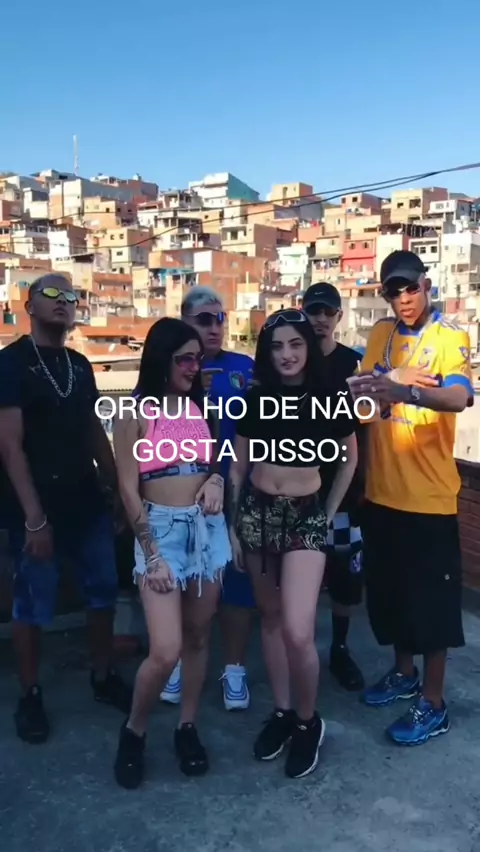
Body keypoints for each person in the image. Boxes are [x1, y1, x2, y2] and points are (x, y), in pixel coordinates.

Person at [0, 274, 131, 745]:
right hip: (34, 505)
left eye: (70, 296)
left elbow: (93, 430)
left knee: (102, 592)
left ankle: (103, 676)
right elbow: (10, 447)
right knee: (32, 603)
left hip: (85, 500)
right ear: (29, 305)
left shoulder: (79, 364)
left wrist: (116, 487)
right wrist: (34, 518)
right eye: (51, 294)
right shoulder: (11, 363)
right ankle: (30, 694)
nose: (63, 302)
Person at [228, 308, 358, 779]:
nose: (287, 354)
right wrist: (232, 526)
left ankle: (307, 721)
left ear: (308, 347)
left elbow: (349, 459)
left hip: (305, 518)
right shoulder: (255, 397)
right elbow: (238, 466)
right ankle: (283, 713)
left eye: (296, 344)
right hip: (258, 516)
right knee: (270, 619)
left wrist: (327, 511)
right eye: (277, 346)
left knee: (299, 631)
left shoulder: (331, 396)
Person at [355, 249, 473, 746]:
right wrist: (386, 385)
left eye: (410, 287)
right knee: (391, 597)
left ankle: (434, 702)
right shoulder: (380, 334)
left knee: (433, 609)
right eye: (393, 290)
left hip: (428, 499)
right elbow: (360, 394)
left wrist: (408, 393)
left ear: (426, 285)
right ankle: (404, 674)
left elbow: (460, 396)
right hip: (382, 494)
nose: (403, 298)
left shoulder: (449, 336)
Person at [113, 317, 231, 788]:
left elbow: (216, 462)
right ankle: (134, 731)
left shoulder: (203, 406)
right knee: (165, 649)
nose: (194, 367)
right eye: (184, 359)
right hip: (158, 532)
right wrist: (151, 553)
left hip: (206, 531)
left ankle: (187, 727)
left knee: (199, 637)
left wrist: (217, 480)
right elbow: (127, 489)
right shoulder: (135, 412)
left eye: (197, 359)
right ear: (161, 359)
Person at [160, 287, 255, 712]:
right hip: (183, 494)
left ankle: (234, 668)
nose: (214, 327)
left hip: (238, 489)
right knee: (185, 581)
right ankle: (179, 661)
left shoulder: (245, 368)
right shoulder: (172, 370)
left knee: (237, 580)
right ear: (184, 321)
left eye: (220, 318)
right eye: (203, 319)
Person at [302, 283, 365, 691]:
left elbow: (367, 430)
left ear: (339, 317)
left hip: (344, 490)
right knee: (299, 577)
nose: (321, 319)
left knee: (345, 576)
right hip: (298, 491)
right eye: (314, 312)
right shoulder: (292, 360)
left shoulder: (352, 364)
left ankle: (339, 649)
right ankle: (299, 649)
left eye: (328, 312)